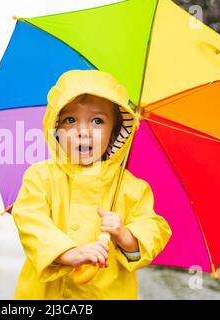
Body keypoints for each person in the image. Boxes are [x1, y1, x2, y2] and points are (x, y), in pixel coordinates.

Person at [11, 69, 172, 299]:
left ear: (116, 132)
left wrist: (124, 235)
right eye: (70, 120)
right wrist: (67, 253)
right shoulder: (40, 177)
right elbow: (30, 220)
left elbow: (154, 228)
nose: (83, 132)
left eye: (97, 121)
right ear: (55, 128)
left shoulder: (131, 188)